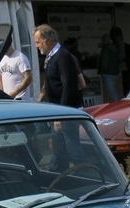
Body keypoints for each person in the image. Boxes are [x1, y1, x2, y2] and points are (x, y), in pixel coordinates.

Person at [33, 24, 84, 169]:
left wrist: (60, 115)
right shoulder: (50, 57)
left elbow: (68, 85)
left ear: (48, 40)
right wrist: (40, 100)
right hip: (56, 109)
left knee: (72, 148)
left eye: (38, 42)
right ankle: (61, 175)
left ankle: (83, 174)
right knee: (58, 148)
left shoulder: (63, 57)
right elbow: (49, 82)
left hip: (66, 111)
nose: (37, 46)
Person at [110, 26, 130, 96]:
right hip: (116, 72)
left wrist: (124, 60)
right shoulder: (113, 48)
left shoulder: (127, 47)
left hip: (126, 72)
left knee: (127, 88)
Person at [98, 33, 120, 102]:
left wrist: (102, 70)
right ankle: (118, 104)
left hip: (107, 72)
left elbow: (104, 62)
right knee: (114, 91)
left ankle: (118, 105)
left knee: (111, 92)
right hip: (114, 72)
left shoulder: (105, 49)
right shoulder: (115, 48)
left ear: (104, 40)